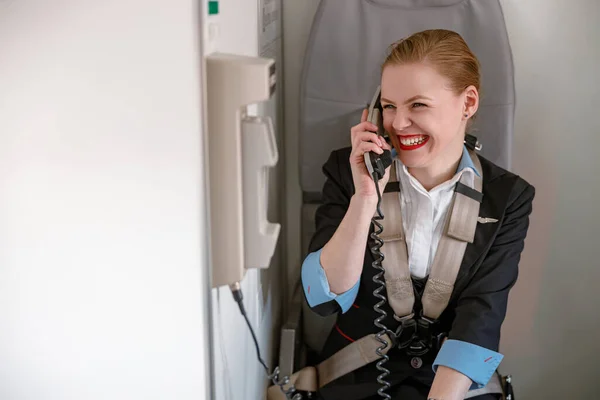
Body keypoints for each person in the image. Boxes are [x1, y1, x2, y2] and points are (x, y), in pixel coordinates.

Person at [301, 29, 535, 400]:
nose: (398, 123)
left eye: (418, 105)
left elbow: (482, 315)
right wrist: (365, 197)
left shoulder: (507, 198)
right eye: (390, 106)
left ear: (467, 102)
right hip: (358, 374)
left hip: (452, 382)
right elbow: (324, 299)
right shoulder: (347, 172)